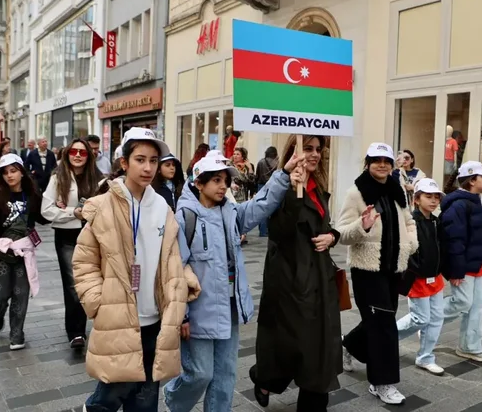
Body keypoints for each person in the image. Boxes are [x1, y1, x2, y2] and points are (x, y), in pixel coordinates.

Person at [163, 149, 304, 412]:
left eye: (226, 180)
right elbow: (174, 269)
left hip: (229, 307)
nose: (223, 186)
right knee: (200, 374)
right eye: (216, 180)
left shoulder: (231, 213)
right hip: (198, 310)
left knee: (225, 374)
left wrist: (284, 174)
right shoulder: (184, 217)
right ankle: (174, 400)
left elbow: (261, 204)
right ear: (199, 183)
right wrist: (182, 315)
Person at [73, 128, 201, 412]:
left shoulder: (162, 206)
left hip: (155, 318)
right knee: (111, 393)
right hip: (118, 316)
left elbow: (172, 256)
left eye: (153, 161)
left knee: (144, 400)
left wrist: (179, 293)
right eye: (140, 159)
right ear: (124, 162)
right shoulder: (104, 205)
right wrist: (97, 301)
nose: (147, 168)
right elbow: (84, 260)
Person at [249, 135, 340, 410]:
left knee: (317, 351)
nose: (314, 154)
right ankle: (265, 377)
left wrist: (332, 236)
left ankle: (291, 390)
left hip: (319, 279)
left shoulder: (318, 186)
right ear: (293, 153)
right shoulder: (282, 186)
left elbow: (322, 227)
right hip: (290, 281)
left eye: (318, 149)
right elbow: (279, 232)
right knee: (293, 345)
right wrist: (291, 191)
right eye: (307, 148)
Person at [338, 143, 418, 406]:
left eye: (386, 161)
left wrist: (412, 243)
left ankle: (349, 345)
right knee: (384, 326)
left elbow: (409, 221)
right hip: (368, 269)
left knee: (380, 320)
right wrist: (362, 225)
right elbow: (341, 233)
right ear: (368, 163)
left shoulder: (396, 189)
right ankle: (382, 382)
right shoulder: (356, 193)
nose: (382, 165)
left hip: (394, 268)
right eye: (376, 160)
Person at [0, 154, 46, 351]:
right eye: (5, 172)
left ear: (22, 172)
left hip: (24, 252)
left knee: (20, 293)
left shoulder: (32, 195)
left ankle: (17, 334)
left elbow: (42, 217)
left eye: (14, 171)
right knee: (2, 293)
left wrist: (55, 209)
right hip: (3, 252)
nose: (10, 175)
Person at [439, 161, 482, 363]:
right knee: (463, 302)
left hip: (477, 263)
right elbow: (453, 240)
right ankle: (428, 320)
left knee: (477, 307)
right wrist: (456, 270)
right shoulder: (458, 205)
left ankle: (470, 347)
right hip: (464, 265)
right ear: (472, 180)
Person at [41, 138, 100, 348]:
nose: (77, 155)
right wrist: (72, 212)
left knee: (94, 282)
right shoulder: (58, 178)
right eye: (73, 151)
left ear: (89, 156)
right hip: (67, 236)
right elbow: (46, 210)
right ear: (67, 154)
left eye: (82, 152)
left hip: (93, 235)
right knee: (73, 284)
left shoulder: (97, 178)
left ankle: (99, 326)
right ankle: (76, 332)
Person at [396, 178, 447, 376]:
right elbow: (406, 250)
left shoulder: (435, 220)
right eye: (428, 196)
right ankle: (385, 338)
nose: (433, 200)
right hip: (417, 278)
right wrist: (417, 269)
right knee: (420, 319)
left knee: (436, 318)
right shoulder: (411, 221)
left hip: (435, 277)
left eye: (436, 197)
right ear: (416, 199)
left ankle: (426, 357)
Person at [255, 146, 279, 237]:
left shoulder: (261, 162)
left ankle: (262, 230)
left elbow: (257, 176)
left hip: (261, 186)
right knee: (273, 208)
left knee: (261, 208)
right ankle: (270, 229)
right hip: (273, 186)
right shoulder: (277, 163)